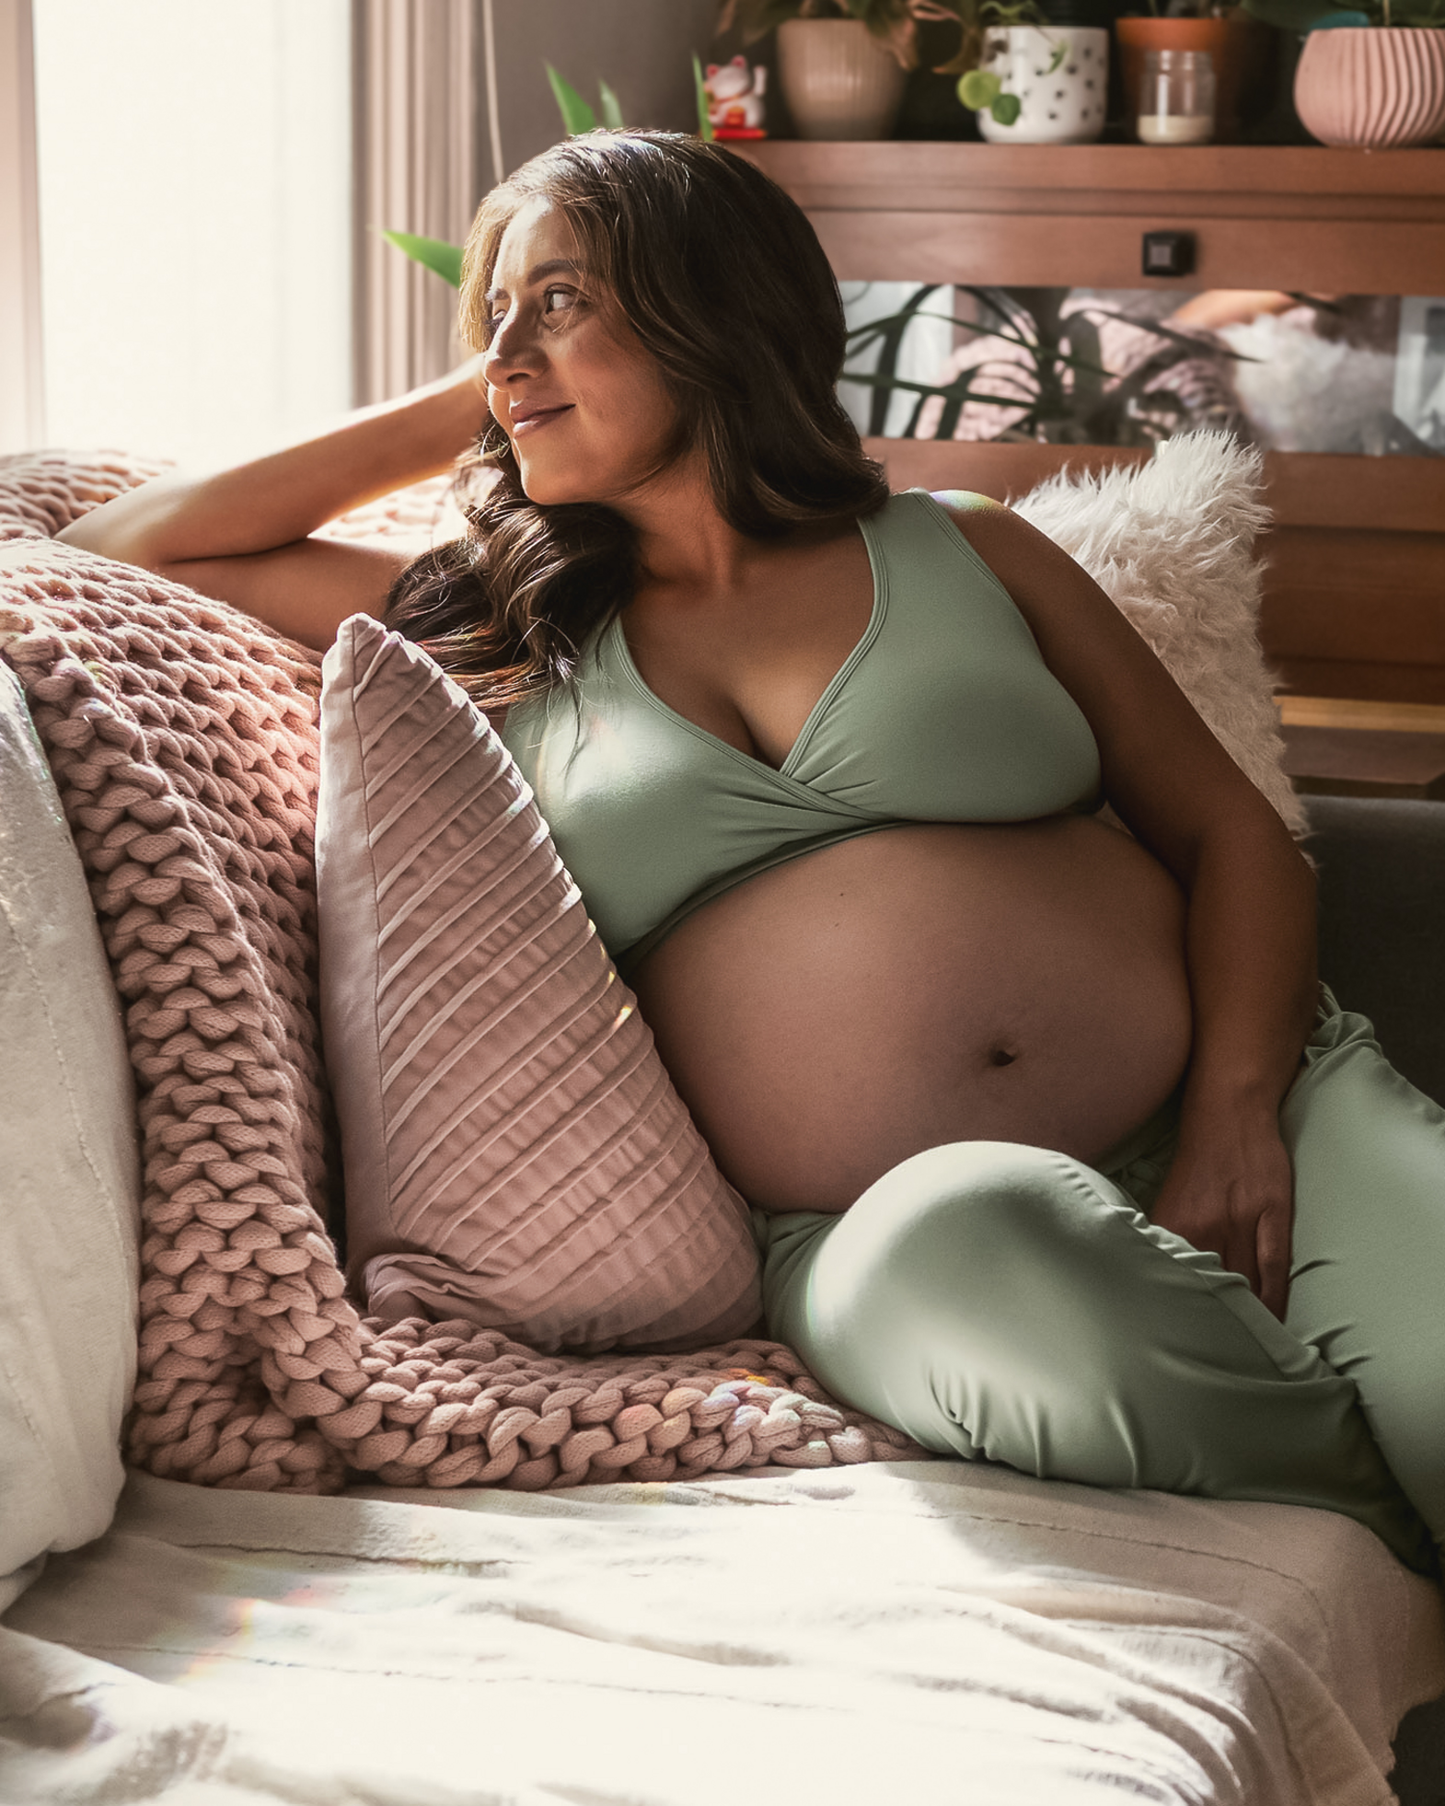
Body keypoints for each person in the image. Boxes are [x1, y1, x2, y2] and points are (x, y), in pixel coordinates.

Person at [59, 130, 1445, 1576]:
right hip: (876, 1222)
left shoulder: (967, 548)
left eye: (563, 300)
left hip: (1255, 1099)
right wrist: (491, 387)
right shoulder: (500, 631)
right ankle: (1387, 1523)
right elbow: (129, 544)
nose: (509, 354)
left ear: (709, 312)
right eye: (494, 315)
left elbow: (1235, 834)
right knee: (987, 1249)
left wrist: (1235, 1112)